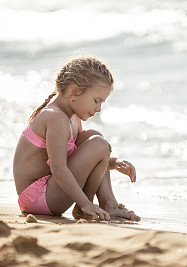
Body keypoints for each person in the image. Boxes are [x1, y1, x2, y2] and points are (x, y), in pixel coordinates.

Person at [13, 56, 140, 221]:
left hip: (50, 190)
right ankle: (85, 207)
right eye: (96, 100)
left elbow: (85, 160)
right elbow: (59, 168)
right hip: (38, 199)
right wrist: (86, 202)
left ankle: (108, 204)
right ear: (74, 91)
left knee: (95, 137)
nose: (99, 108)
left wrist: (113, 163)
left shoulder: (72, 118)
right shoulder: (55, 118)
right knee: (99, 144)